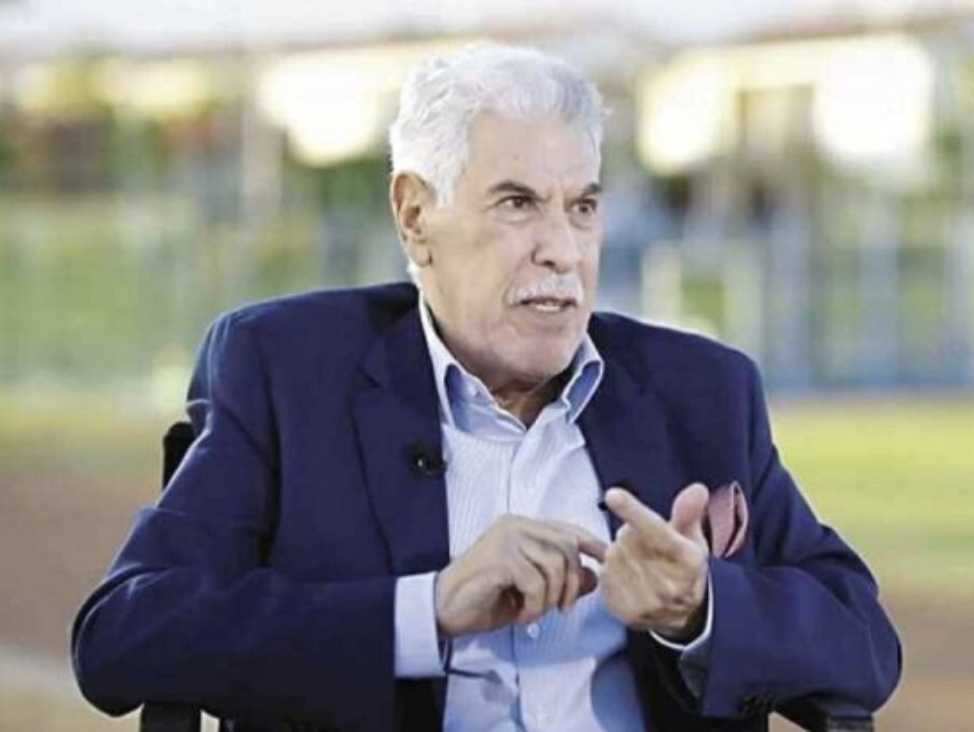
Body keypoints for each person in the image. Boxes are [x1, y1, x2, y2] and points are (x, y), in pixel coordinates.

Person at [72, 44, 901, 732]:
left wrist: (701, 608)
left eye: (582, 208)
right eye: (517, 204)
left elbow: (864, 642)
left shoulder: (703, 393)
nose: (562, 250)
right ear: (414, 216)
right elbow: (125, 634)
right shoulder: (285, 372)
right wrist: (424, 610)